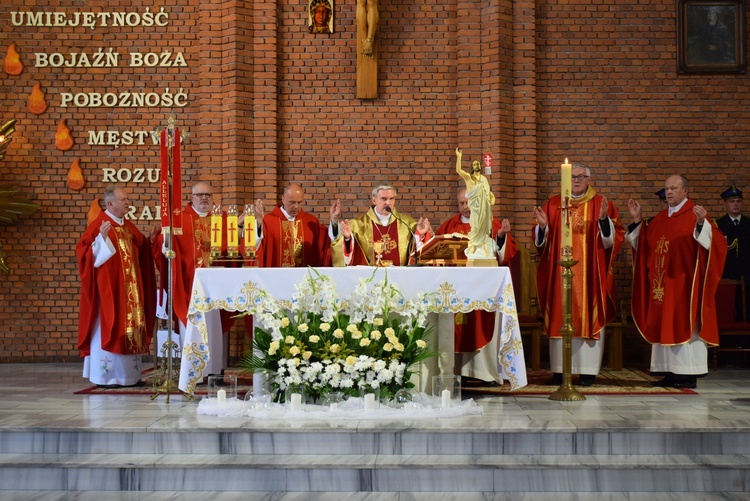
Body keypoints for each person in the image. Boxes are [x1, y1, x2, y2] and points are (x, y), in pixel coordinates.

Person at [626, 175, 727, 389]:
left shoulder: (695, 215)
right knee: (664, 323)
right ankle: (669, 371)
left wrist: (701, 224)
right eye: (667, 188)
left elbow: (716, 244)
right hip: (662, 285)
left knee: (684, 323)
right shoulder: (660, 219)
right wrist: (637, 221)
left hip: (684, 285)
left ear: (686, 191)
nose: (669, 192)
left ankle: (688, 373)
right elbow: (643, 247)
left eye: (674, 188)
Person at [532, 164, 624, 386]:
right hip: (559, 273)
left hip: (589, 274)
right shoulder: (554, 204)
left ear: (589, 180)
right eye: (572, 177)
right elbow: (540, 244)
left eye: (581, 177)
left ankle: (587, 372)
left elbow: (612, 240)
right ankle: (559, 370)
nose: (576, 180)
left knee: (587, 315)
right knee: (559, 315)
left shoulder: (601, 204)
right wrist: (543, 228)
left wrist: (603, 221)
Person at [76, 185, 156, 388]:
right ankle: (107, 377)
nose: (128, 202)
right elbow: (84, 255)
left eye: (127, 199)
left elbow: (141, 248)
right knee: (110, 327)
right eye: (124, 200)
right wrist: (100, 241)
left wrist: (152, 241)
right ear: (110, 204)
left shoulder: (129, 226)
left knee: (130, 330)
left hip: (131, 293)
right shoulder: (99, 225)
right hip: (109, 293)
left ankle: (131, 376)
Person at [436, 186, 518, 383]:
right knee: (456, 327)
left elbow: (508, 252)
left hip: (482, 288)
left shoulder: (490, 223)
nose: (466, 207)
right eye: (462, 203)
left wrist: (500, 236)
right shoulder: (449, 226)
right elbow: (435, 250)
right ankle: (455, 372)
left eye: (469, 203)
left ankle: (483, 373)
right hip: (455, 286)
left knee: (481, 323)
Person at [152, 182, 235, 375]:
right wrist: (164, 239)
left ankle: (215, 371)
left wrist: (246, 226)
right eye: (199, 195)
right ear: (192, 198)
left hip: (217, 291)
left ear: (213, 198)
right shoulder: (179, 220)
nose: (204, 198)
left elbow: (237, 245)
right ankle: (192, 373)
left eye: (208, 194)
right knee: (192, 328)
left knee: (214, 328)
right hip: (189, 288)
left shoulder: (223, 220)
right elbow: (161, 246)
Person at [332, 184, 432, 267]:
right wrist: (348, 239)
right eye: (383, 199)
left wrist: (420, 235)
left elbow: (420, 255)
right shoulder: (357, 225)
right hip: (369, 280)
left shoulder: (408, 224)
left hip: (401, 279)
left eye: (391, 199)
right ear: (374, 200)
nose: (388, 203)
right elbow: (340, 252)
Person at [252, 183, 334, 267]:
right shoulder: (268, 221)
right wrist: (258, 222)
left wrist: (334, 221)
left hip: (304, 278)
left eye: (299, 202)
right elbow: (253, 247)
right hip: (276, 277)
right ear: (283, 199)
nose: (296, 207)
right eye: (292, 202)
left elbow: (326, 242)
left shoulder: (310, 221)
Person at [454, 148, 498, 259]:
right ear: (472, 167)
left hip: (483, 207)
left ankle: (482, 245)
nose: (476, 165)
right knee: (475, 225)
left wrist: (491, 197)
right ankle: (474, 244)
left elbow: (487, 192)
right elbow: (459, 171)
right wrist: (459, 157)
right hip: (474, 206)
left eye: (478, 164)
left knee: (483, 226)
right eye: (474, 164)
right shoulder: (469, 178)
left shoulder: (484, 179)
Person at [715, 186, 750, 318]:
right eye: (732, 201)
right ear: (725, 204)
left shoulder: (748, 224)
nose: (735, 204)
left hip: (747, 276)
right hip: (727, 275)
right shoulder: (718, 225)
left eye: (738, 201)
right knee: (728, 311)